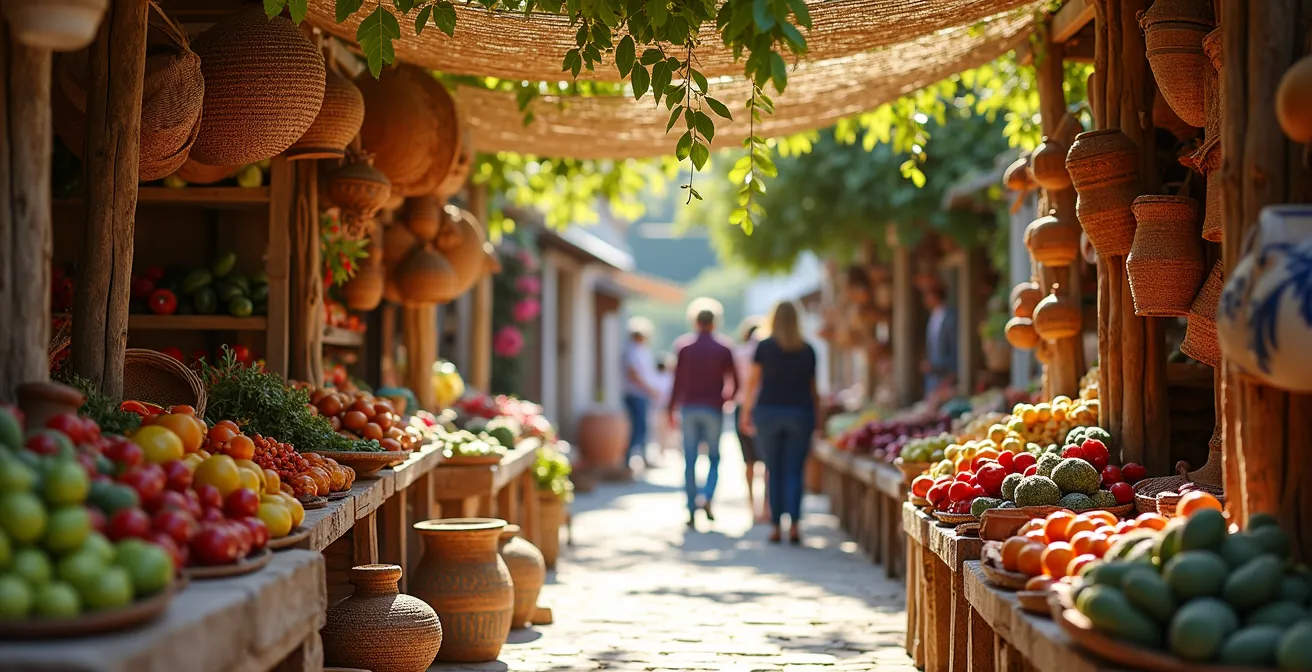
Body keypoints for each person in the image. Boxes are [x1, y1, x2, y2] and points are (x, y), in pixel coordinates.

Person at [739, 300, 818, 545]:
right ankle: (794, 525)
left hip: (769, 412)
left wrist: (745, 412)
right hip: (800, 413)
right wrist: (819, 418)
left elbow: (753, 382)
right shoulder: (807, 349)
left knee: (773, 470)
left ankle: (775, 526)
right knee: (794, 470)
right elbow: (813, 389)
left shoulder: (764, 346)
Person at [668, 299, 738, 528]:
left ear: (695, 321)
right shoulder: (724, 348)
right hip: (713, 408)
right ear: (715, 322)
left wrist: (670, 408)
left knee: (690, 459)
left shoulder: (684, 347)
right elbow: (735, 382)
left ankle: (691, 507)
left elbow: (676, 382)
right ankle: (707, 496)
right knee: (714, 457)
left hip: (688, 408)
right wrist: (724, 399)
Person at [733, 318, 769, 524]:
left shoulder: (739, 353)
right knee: (766, 462)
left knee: (748, 461)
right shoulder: (767, 353)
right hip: (762, 407)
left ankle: (751, 505)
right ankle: (766, 507)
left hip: (741, 406)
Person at [622, 317, 660, 468]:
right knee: (637, 428)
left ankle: (642, 456)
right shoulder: (633, 351)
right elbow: (634, 373)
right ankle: (629, 460)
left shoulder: (641, 350)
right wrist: (649, 388)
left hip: (642, 394)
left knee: (643, 427)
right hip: (636, 394)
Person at [921, 284, 958, 403]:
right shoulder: (933, 316)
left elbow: (954, 347)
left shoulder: (950, 316)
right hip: (934, 375)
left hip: (946, 374)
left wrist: (952, 373)